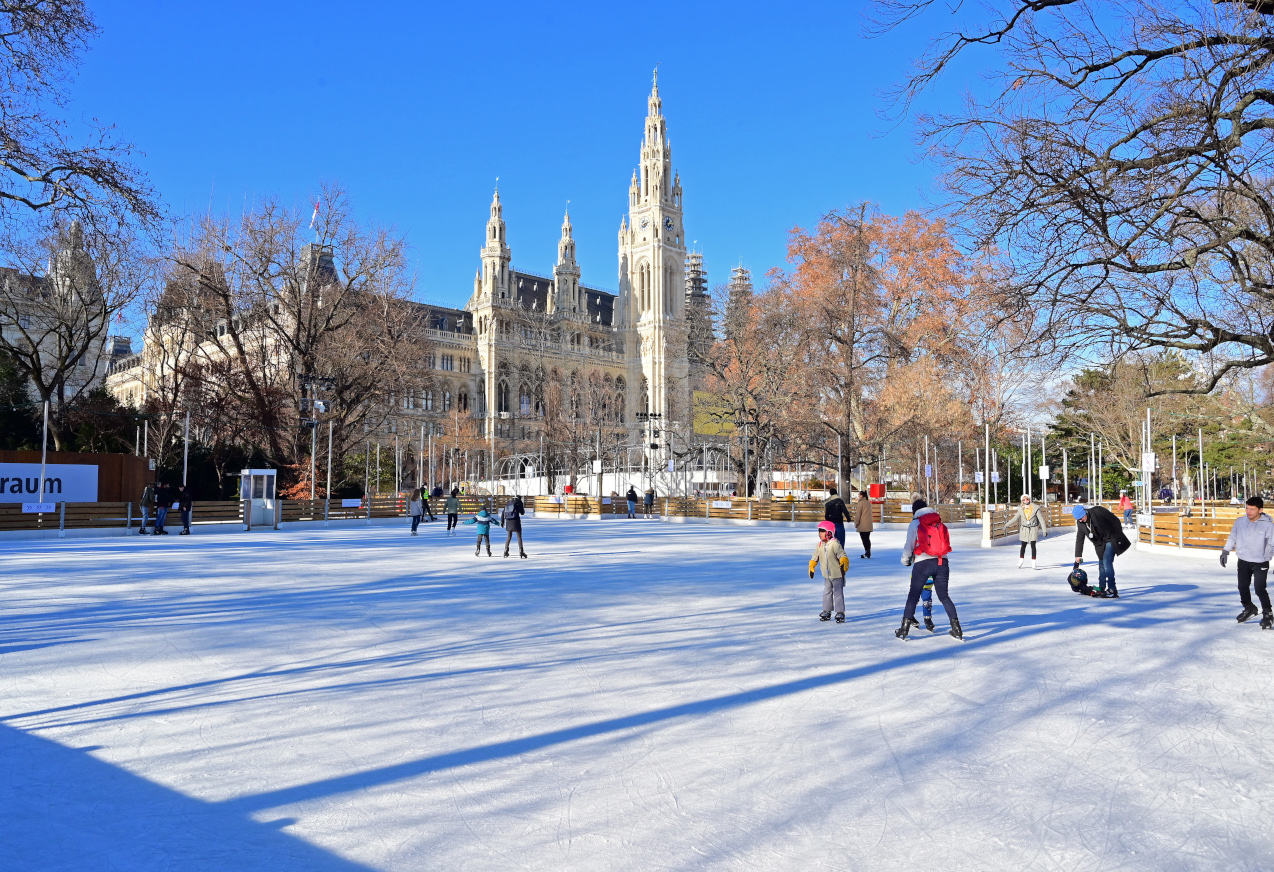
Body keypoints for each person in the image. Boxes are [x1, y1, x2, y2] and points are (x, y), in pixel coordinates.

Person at [896, 499, 962, 640]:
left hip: (922, 563)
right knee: (944, 596)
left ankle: (904, 629)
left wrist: (905, 560)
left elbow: (909, 545)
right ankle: (957, 628)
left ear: (914, 511)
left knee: (913, 595)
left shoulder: (915, 523)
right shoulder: (938, 522)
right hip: (941, 562)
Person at [1220, 496, 1274, 628]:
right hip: (1243, 560)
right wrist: (1225, 551)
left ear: (1260, 510)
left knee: (1259, 588)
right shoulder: (1240, 522)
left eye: (1252, 509)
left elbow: (1273, 544)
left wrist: (1269, 559)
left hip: (1260, 561)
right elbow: (1233, 537)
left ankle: (1268, 613)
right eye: (1247, 508)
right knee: (1242, 586)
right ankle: (1249, 607)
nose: (1248, 512)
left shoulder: (1268, 525)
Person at [1072, 503, 1131, 598]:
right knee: (1101, 565)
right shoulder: (1081, 523)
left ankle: (1112, 589)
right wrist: (1078, 554)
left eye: (1081, 517)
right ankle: (1102, 588)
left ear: (1084, 513)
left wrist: (1116, 535)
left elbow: (1115, 520)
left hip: (1111, 538)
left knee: (1107, 562)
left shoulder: (1098, 511)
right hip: (1099, 544)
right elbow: (1080, 538)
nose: (1080, 520)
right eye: (1078, 519)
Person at [808, 520, 849, 623]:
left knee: (838, 593)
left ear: (829, 533)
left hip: (837, 574)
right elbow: (815, 556)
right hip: (826, 574)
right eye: (819, 531)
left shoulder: (835, 544)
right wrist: (812, 565)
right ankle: (827, 611)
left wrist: (843, 560)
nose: (819, 534)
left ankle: (840, 612)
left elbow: (841, 554)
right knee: (826, 592)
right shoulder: (819, 545)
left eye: (822, 531)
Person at [1004, 494, 1048, 569]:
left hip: (1033, 529)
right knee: (1023, 546)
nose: (1025, 501)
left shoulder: (1035, 508)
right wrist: (1006, 525)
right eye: (1023, 500)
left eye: (1027, 499)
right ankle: (1021, 561)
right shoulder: (1021, 509)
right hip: (1024, 529)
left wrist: (1044, 530)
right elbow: (1014, 518)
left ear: (1029, 499)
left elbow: (1041, 519)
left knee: (1033, 545)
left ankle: (1033, 562)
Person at [853, 490, 874, 558]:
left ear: (862, 495)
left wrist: (856, 522)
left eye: (859, 495)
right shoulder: (868, 502)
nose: (858, 496)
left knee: (864, 538)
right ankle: (868, 551)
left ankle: (867, 551)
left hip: (862, 523)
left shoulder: (861, 503)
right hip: (868, 523)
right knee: (867, 538)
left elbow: (858, 514)